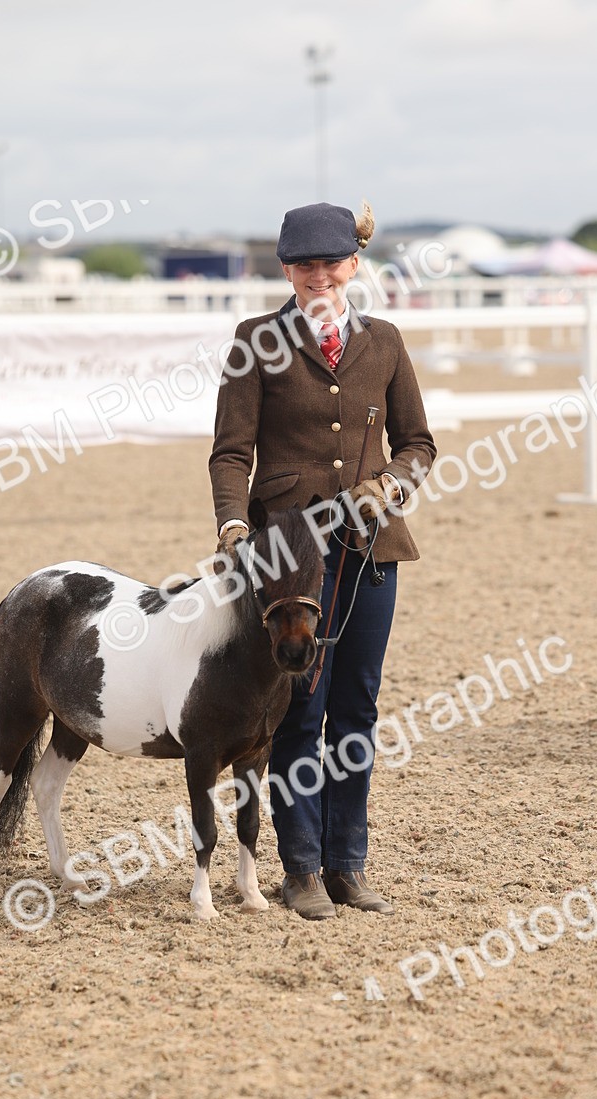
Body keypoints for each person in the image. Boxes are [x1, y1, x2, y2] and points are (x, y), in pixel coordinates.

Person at [209, 200, 437, 920]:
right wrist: (234, 525)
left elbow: (420, 444)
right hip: (289, 552)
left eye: (330, 263)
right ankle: (300, 868)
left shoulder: (386, 341)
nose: (318, 275)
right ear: (286, 268)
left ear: (354, 265)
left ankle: (348, 866)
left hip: (372, 546)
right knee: (301, 709)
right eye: (304, 265)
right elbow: (231, 452)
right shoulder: (254, 340)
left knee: (358, 709)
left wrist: (392, 483)